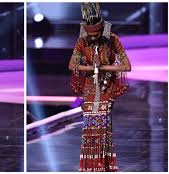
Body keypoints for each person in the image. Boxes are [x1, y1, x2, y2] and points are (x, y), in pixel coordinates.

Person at [68, 3, 131, 172]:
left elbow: (126, 66)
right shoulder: (82, 41)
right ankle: (89, 166)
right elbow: (72, 64)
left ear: (102, 30)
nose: (93, 38)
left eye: (96, 35)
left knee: (103, 127)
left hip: (106, 87)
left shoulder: (112, 39)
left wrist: (103, 68)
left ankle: (104, 165)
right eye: (91, 35)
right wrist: (91, 68)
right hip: (89, 88)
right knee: (89, 127)